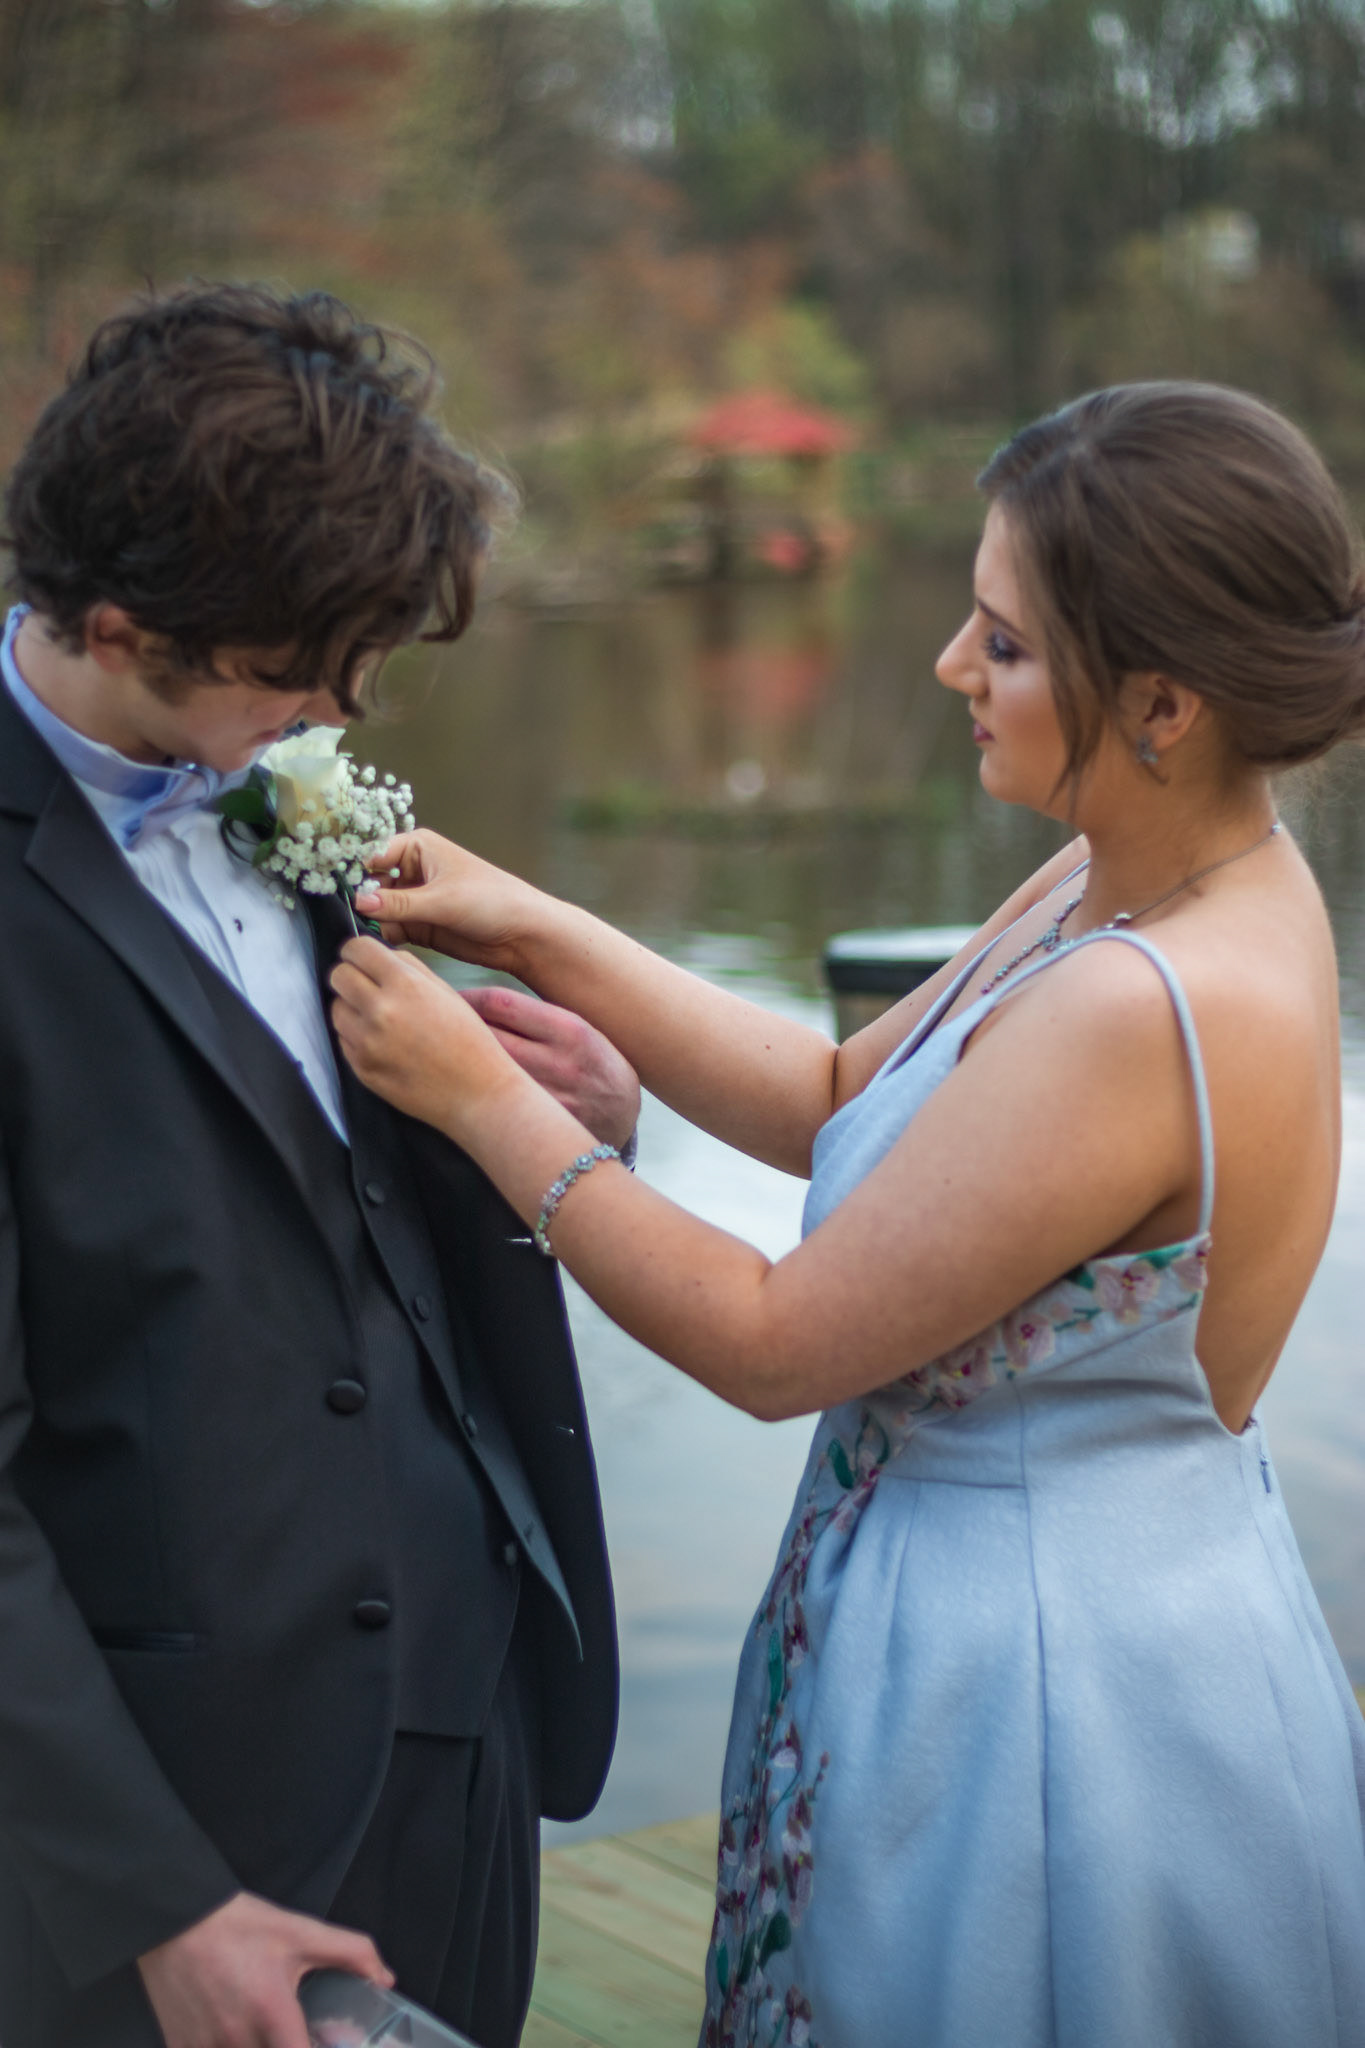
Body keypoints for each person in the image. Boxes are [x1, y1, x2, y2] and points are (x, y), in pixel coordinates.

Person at [330, 382, 1365, 2048]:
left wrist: (478, 1101)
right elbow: (833, 1096)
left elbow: (770, 1343)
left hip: (1044, 1712)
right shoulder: (1139, 870)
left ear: (1162, 702)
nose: (951, 665)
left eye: (1003, 645)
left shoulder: (1141, 1002)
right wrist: (533, 927)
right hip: (1000, 1622)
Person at [0, 283, 637, 2048]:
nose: (342, 704)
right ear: (121, 627)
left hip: (466, 1728)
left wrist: (563, 1120)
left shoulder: (271, 764)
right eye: (303, 669)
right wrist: (158, 1898)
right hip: (181, 1833)